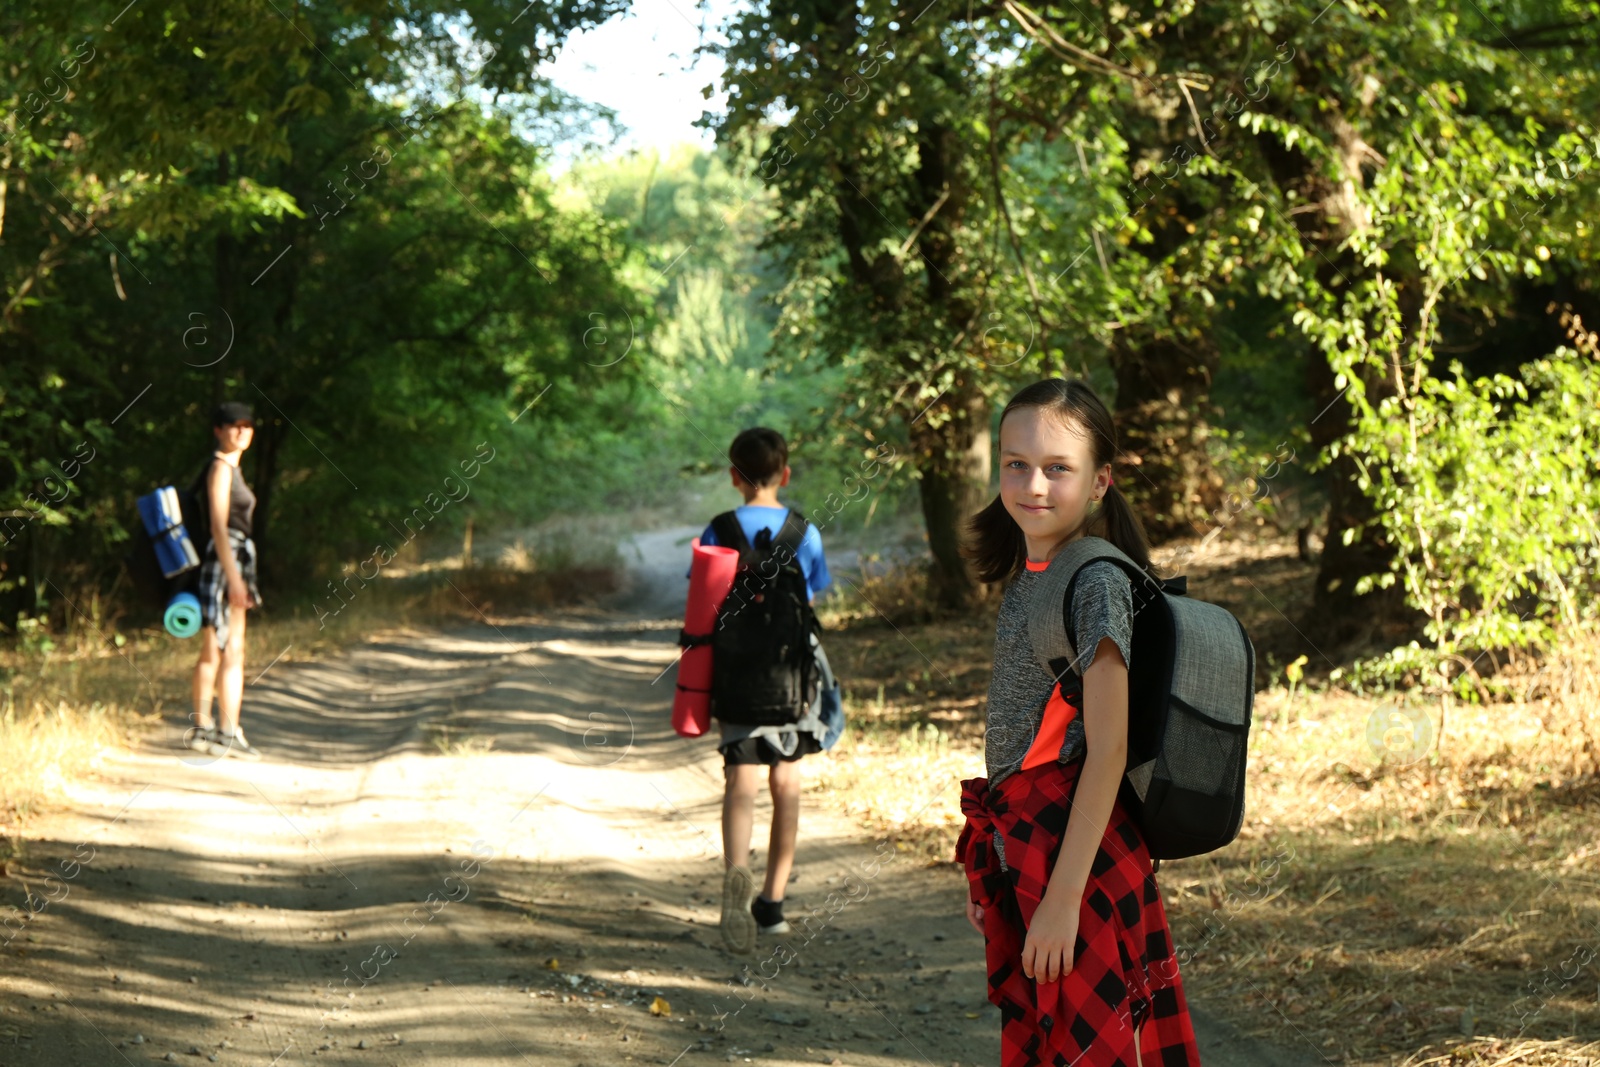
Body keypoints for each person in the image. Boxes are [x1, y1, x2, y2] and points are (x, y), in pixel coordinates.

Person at [957, 379, 1201, 1066]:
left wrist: (1062, 897)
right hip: (1035, 847)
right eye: (1016, 462)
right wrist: (1002, 874)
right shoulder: (1034, 572)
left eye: (1058, 467)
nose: (1033, 483)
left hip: (1081, 861)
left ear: (1100, 482)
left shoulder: (1093, 581)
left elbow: (1109, 745)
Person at [687, 427, 833, 955]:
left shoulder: (718, 528)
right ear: (785, 474)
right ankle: (771, 907)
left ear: (733, 476)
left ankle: (736, 885)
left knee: (739, 784)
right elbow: (813, 597)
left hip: (736, 678)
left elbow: (701, 602)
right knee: (786, 786)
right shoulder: (804, 532)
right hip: (790, 680)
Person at [186, 401, 264, 761]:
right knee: (213, 649)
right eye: (234, 425)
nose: (242, 431)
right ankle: (203, 729)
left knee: (234, 650)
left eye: (247, 425)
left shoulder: (233, 468)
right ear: (218, 429)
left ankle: (228, 732)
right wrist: (234, 580)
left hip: (235, 562)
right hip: (223, 563)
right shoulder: (220, 468)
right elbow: (218, 526)